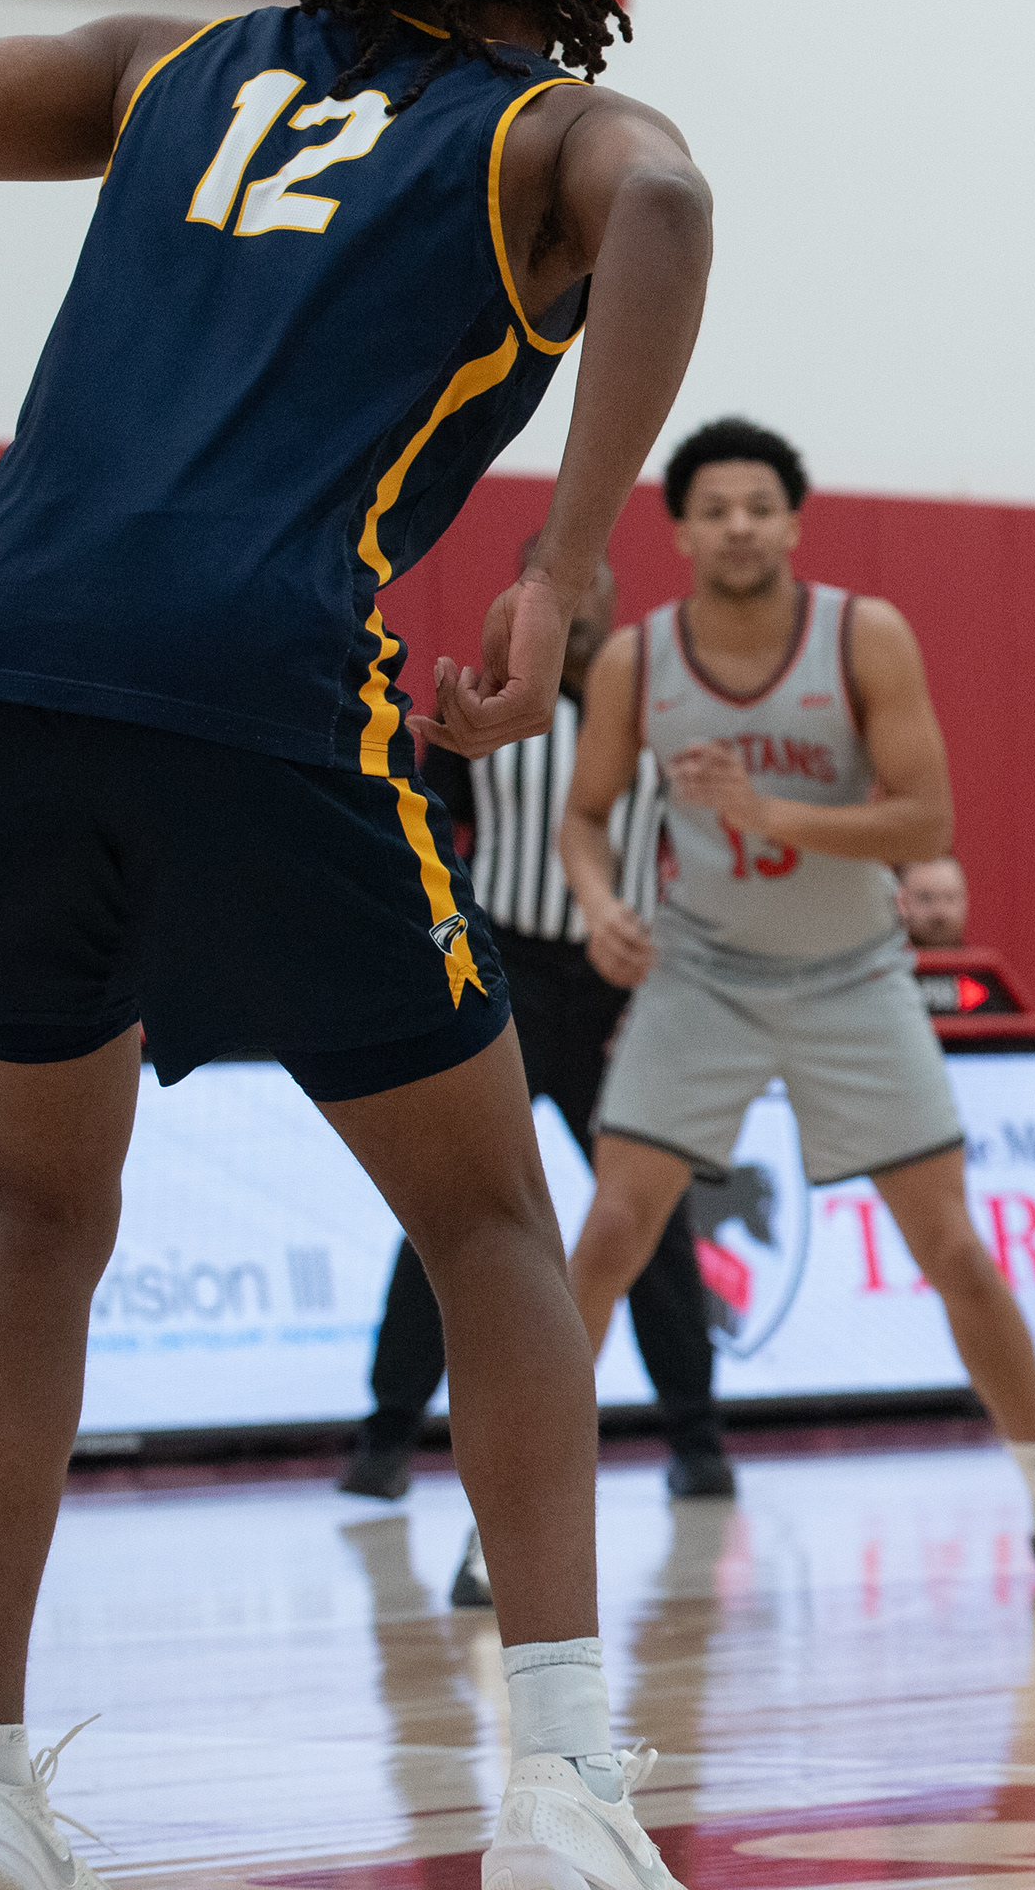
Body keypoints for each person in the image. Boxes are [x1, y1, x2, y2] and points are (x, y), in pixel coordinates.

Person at [0, 0, 716, 1890]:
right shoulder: (538, 130)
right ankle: (559, 1785)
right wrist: (566, 564)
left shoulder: (160, 64)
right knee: (490, 1219)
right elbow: (671, 204)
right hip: (256, 669)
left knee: (36, 1213)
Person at [552, 419, 1035, 1592]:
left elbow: (927, 821)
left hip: (854, 971)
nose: (738, 525)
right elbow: (584, 814)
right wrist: (598, 901)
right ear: (678, 532)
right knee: (612, 1230)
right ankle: (508, 1519)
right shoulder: (636, 659)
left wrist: (771, 813)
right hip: (705, 971)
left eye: (759, 506)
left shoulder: (863, 634)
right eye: (714, 508)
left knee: (953, 1248)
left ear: (793, 523)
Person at [349, 541, 735, 1513]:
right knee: (452, 1205)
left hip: (616, 994)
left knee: (649, 1214)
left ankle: (696, 1437)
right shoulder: (485, 712)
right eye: (564, 585)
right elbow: (427, 835)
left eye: (597, 583)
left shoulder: (655, 715)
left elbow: (696, 849)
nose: (583, 602)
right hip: (506, 978)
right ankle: (387, 1433)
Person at [897, 856, 1020, 1015]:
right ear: (901, 903)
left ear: (965, 901)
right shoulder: (884, 978)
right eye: (926, 898)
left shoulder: (988, 979)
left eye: (950, 898)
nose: (940, 912)